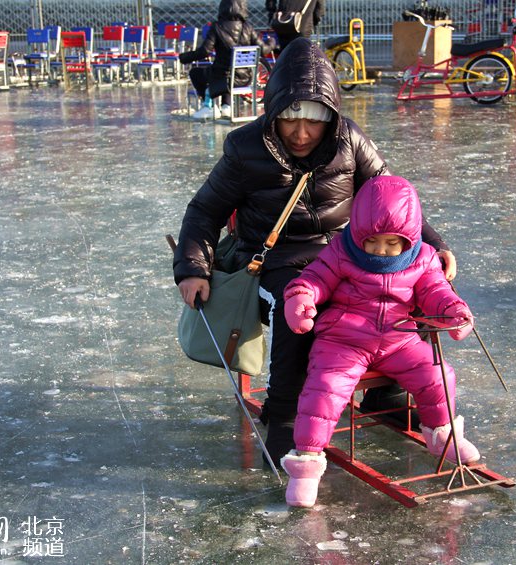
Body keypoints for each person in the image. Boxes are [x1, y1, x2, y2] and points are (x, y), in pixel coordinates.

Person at [173, 37, 457, 466]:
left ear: (332, 116)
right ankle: (284, 413)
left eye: (314, 121)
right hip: (275, 261)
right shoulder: (244, 147)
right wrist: (193, 268)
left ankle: (388, 393)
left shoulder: (349, 140)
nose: (301, 133)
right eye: (290, 120)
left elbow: (392, 197)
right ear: (273, 113)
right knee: (298, 315)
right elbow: (204, 209)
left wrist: (434, 246)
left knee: (400, 290)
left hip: (345, 254)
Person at [279, 176, 478, 508]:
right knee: (325, 388)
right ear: (359, 233)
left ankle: (442, 434)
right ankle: (306, 464)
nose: (381, 250)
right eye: (372, 241)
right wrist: (301, 297)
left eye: (391, 243)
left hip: (398, 338)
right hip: (345, 338)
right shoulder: (342, 250)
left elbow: (435, 291)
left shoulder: (424, 258)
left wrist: (453, 311)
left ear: (409, 238)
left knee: (437, 374)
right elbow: (315, 278)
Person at [178, 0, 275, 120]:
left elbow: (205, 51)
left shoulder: (217, 27)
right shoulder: (247, 28)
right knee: (228, 73)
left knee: (196, 73)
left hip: (222, 77)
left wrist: (184, 57)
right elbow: (263, 49)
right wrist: (272, 42)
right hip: (244, 78)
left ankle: (208, 106)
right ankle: (226, 106)